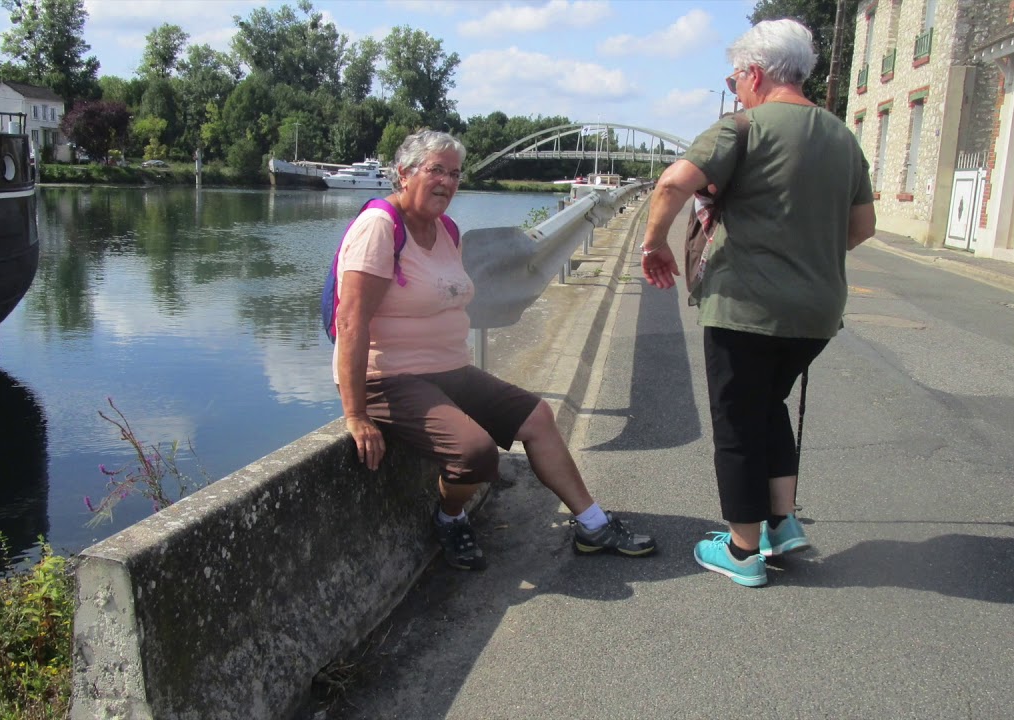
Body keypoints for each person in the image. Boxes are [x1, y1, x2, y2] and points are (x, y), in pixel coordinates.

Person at [334, 129, 656, 570]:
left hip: (449, 369)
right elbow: (351, 321)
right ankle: (450, 518)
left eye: (454, 173)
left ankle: (593, 524)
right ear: (404, 174)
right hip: (391, 377)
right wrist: (355, 414)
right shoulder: (379, 227)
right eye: (435, 170)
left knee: (538, 417)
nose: (447, 181)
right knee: (474, 451)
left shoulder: (445, 228)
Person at [639, 19, 876, 587]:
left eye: (734, 77)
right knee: (768, 403)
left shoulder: (741, 128)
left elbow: (673, 184)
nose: (735, 87)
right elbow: (861, 227)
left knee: (738, 420)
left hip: (745, 307)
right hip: (815, 312)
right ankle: (781, 519)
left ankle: (744, 551)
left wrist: (652, 243)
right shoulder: (842, 136)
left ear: (755, 73)